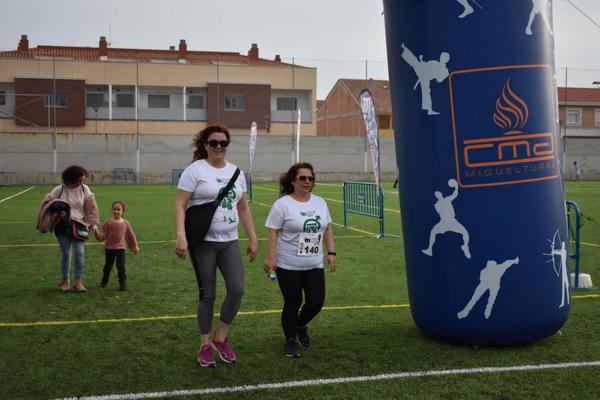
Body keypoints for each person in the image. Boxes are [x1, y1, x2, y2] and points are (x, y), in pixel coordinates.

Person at [174, 124, 258, 367]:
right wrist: (181, 235)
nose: (219, 147)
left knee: (237, 289)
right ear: (205, 145)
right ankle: (203, 345)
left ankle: (220, 338)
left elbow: (243, 207)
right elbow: (180, 204)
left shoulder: (237, 172)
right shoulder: (195, 170)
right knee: (207, 294)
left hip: (229, 241)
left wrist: (252, 237)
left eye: (223, 143)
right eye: (213, 143)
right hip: (203, 243)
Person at [264, 162, 337, 358]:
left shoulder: (320, 202)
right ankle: (290, 340)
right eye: (302, 178)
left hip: (314, 263)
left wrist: (331, 253)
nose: (307, 181)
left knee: (316, 301)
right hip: (288, 264)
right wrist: (271, 258)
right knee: (292, 301)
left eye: (310, 178)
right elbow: (273, 232)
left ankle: (300, 324)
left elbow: (328, 228)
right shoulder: (282, 204)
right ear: (293, 181)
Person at [43, 165, 100, 292]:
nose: (81, 183)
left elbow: (91, 209)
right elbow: (47, 205)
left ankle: (78, 281)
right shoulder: (59, 190)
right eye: (79, 180)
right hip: (61, 226)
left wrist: (94, 225)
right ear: (70, 179)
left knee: (79, 253)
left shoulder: (85, 189)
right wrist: (57, 212)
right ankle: (65, 281)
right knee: (66, 254)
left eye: (83, 180)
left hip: (80, 225)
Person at [95, 201, 139, 291]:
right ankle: (105, 280)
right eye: (114, 209)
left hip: (121, 248)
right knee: (108, 266)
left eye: (118, 209)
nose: (116, 211)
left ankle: (122, 283)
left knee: (121, 266)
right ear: (112, 210)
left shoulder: (125, 223)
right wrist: (96, 231)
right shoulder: (108, 223)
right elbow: (102, 236)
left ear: (123, 211)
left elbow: (131, 235)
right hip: (109, 249)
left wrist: (134, 247)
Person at [422, 179, 471, 259]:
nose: (438, 195)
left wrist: (456, 187)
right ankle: (429, 249)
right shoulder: (439, 203)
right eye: (437, 195)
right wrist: (456, 188)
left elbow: (454, 195)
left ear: (441, 194)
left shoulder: (443, 201)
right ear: (437, 196)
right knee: (433, 232)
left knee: (465, 232)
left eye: (439, 194)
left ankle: (465, 247)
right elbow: (453, 196)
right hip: (445, 222)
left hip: (451, 221)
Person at [400, 43, 450, 116]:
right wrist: (421, 60)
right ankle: (404, 48)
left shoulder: (445, 70)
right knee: (415, 62)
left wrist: (435, 74)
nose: (441, 58)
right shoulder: (436, 63)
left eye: (443, 57)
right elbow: (426, 64)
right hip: (423, 71)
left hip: (425, 76)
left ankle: (429, 109)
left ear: (446, 60)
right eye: (442, 56)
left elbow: (439, 80)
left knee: (426, 92)